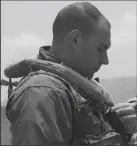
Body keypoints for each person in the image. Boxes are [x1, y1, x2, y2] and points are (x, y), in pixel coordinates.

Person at [4, 2, 137, 145]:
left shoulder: (68, 90)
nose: (106, 60)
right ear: (75, 39)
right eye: (100, 49)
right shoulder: (41, 93)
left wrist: (119, 127)